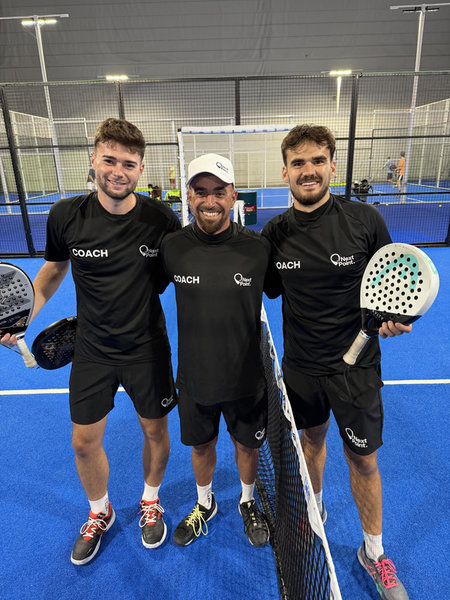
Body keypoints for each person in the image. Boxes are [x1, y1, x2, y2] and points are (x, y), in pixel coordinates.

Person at [1, 118, 181, 565]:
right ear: (93, 159)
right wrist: (22, 318)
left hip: (147, 348)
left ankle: (150, 500)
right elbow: (53, 271)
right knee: (83, 441)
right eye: (109, 160)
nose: (118, 171)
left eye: (129, 164)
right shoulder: (66, 215)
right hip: (92, 349)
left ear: (141, 169)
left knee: (155, 431)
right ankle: (100, 510)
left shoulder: (162, 219)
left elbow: (178, 276)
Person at [262, 125, 411, 600]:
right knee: (311, 443)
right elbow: (266, 292)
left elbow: (395, 281)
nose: (308, 171)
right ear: (285, 172)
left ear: (331, 165)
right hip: (302, 367)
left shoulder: (365, 220)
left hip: (356, 368)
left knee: (363, 459)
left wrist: (395, 319)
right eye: (298, 163)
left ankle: (374, 551)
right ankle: (314, 512)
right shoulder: (274, 234)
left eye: (317, 161)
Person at [160, 153, 271, 548]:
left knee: (247, 445)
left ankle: (247, 501)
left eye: (219, 191)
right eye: (201, 191)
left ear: (233, 195)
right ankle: (205, 503)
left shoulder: (258, 248)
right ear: (188, 196)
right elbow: (138, 293)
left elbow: (297, 293)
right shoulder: (172, 247)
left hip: (246, 376)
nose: (210, 201)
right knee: (201, 444)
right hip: (195, 377)